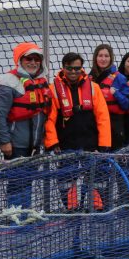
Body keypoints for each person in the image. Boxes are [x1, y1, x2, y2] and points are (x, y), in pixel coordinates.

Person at [45, 52, 111, 211]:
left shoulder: (94, 88)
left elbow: (103, 117)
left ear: (82, 68)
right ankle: (71, 209)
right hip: (66, 143)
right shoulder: (53, 89)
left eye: (77, 68)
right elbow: (49, 119)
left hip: (91, 142)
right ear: (63, 68)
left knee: (97, 178)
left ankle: (96, 208)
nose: (73, 72)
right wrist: (52, 142)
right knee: (67, 179)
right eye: (70, 68)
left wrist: (104, 144)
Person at [0, 43, 51, 211]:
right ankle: (14, 218)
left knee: (28, 180)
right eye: (28, 59)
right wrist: (4, 142)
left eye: (36, 59)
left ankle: (26, 215)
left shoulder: (41, 81)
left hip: (35, 144)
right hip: (16, 144)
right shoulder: (8, 81)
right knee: (17, 182)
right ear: (20, 60)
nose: (33, 62)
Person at [89, 44, 129, 150]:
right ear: (95, 58)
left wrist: (116, 94)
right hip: (94, 122)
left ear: (111, 58)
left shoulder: (120, 78)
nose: (103, 59)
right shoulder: (88, 78)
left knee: (115, 155)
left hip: (114, 123)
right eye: (100, 56)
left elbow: (127, 105)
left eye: (106, 56)